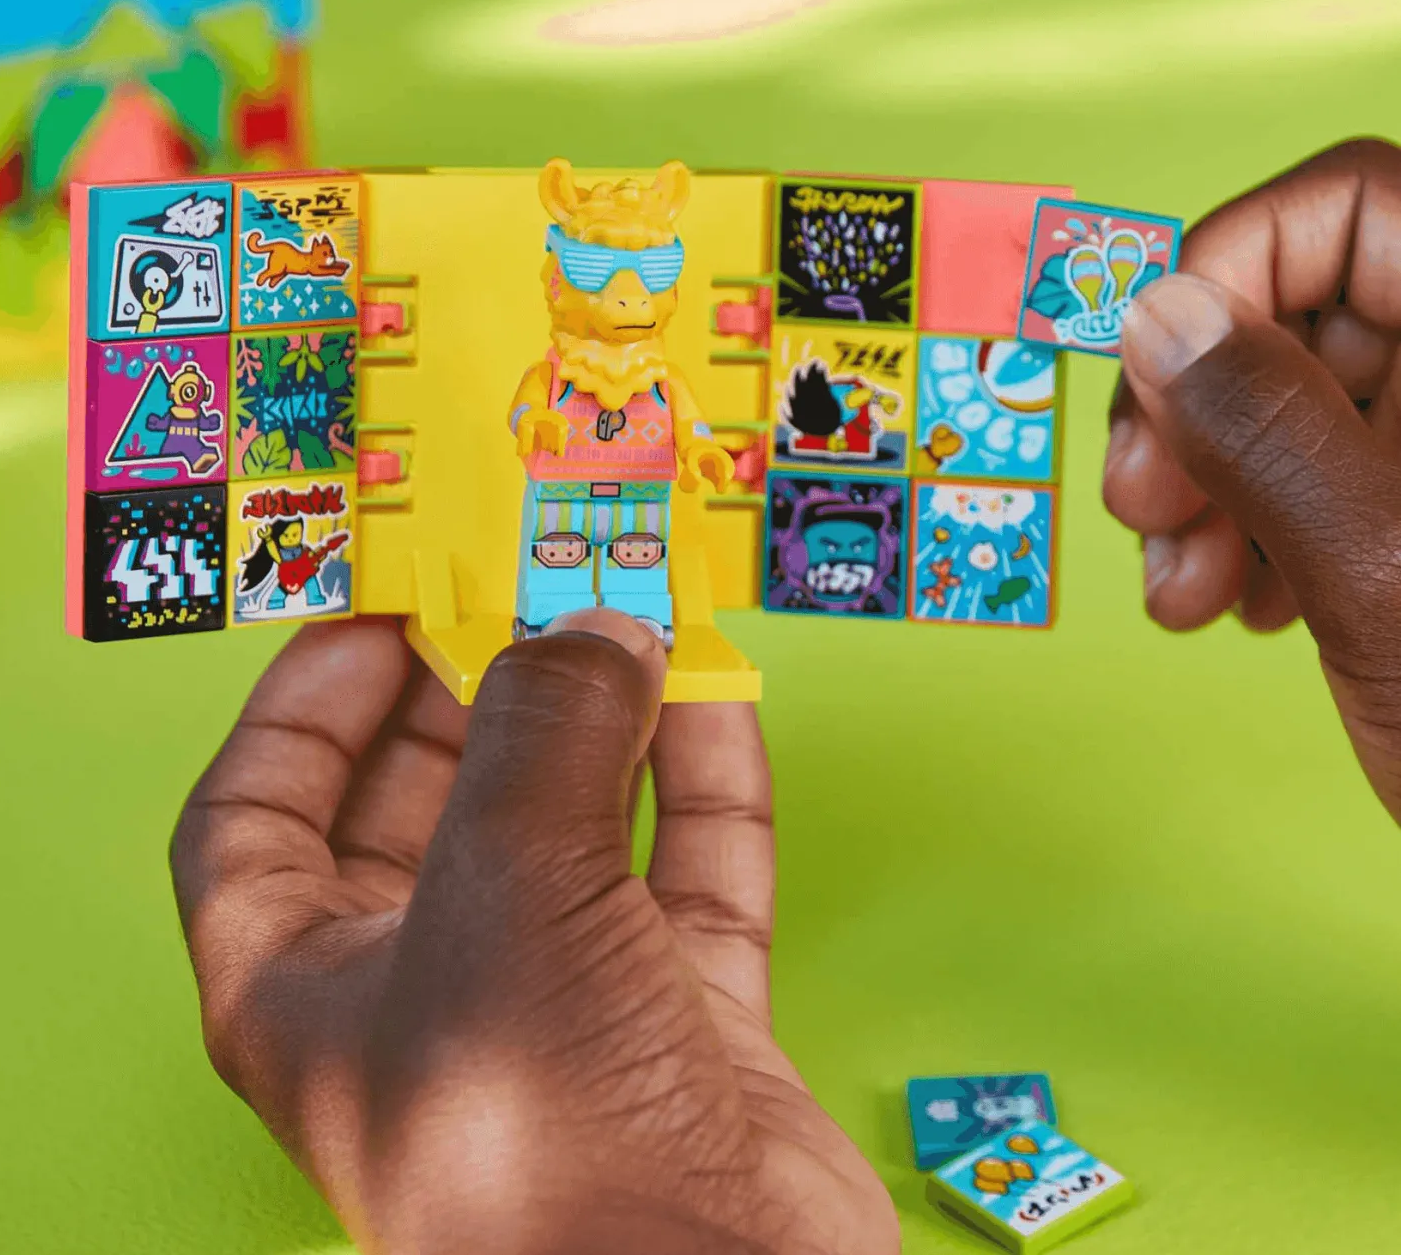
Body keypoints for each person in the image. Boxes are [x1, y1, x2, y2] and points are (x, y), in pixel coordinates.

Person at [170, 137, 1401, 1253]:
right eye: (608, 281)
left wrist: (703, 450)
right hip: (562, 521)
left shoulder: (651, 373)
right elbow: (522, 416)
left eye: (645, 281)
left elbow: (684, 430)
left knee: (625, 587)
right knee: (576, 580)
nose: (629, 302)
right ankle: (582, 615)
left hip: (630, 528)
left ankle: (603, 615)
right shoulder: (564, 375)